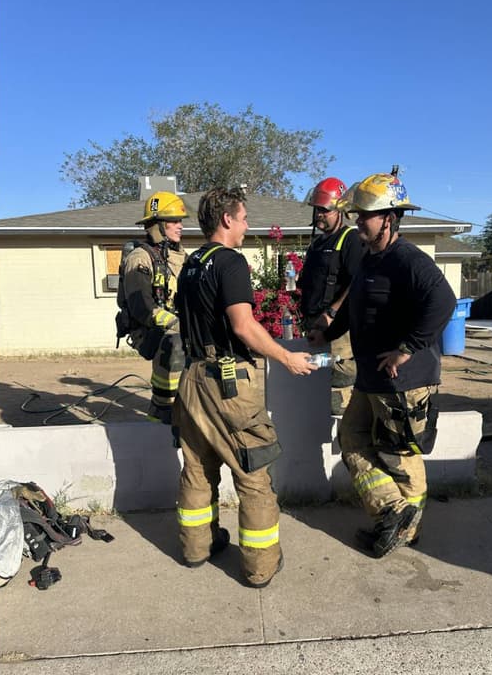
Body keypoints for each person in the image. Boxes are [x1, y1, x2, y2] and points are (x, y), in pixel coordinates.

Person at [172, 186, 317, 587]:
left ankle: (196, 548)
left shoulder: (191, 263)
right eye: (245, 217)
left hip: (192, 379)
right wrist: (287, 358)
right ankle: (260, 567)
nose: (248, 224)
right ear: (227, 220)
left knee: (198, 469)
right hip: (228, 382)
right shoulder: (230, 262)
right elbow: (243, 325)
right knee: (253, 473)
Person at [317, 172, 457, 558]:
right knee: (351, 439)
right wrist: (326, 332)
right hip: (371, 379)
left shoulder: (407, 259)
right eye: (358, 215)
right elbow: (356, 308)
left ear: (390, 219)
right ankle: (393, 512)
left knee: (401, 456)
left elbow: (443, 302)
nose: (358, 221)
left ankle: (406, 530)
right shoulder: (369, 258)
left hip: (403, 381)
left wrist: (407, 348)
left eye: (366, 216)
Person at [116, 191, 188, 424]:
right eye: (174, 221)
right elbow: (141, 306)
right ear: (157, 225)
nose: (180, 226)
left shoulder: (179, 256)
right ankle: (162, 409)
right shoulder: (140, 258)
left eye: (180, 221)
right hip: (148, 329)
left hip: (175, 325)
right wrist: (177, 324)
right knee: (175, 344)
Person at [297, 177, 365, 415]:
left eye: (324, 210)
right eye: (317, 210)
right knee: (317, 381)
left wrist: (332, 311)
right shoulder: (317, 244)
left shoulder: (351, 240)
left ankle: (341, 436)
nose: (319, 215)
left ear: (340, 210)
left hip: (337, 331)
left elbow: (356, 282)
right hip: (315, 325)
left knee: (338, 382)